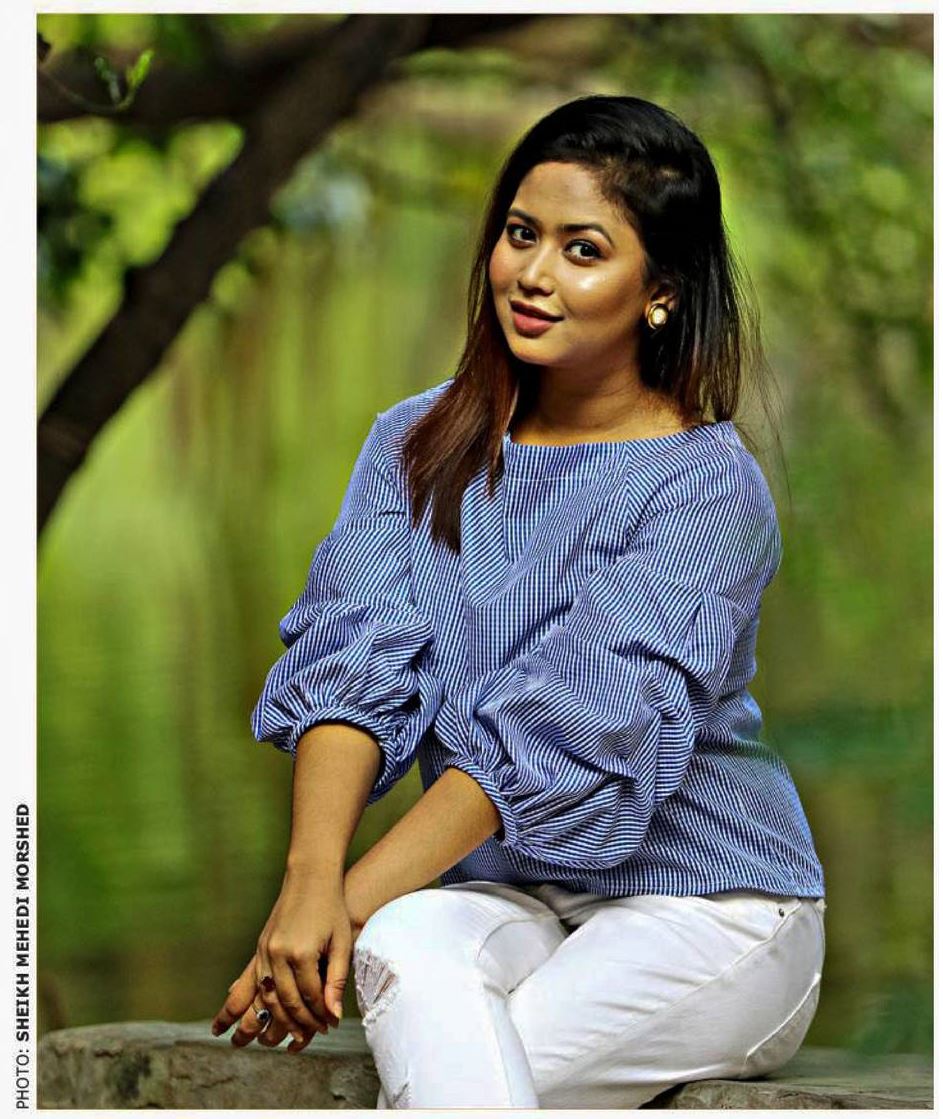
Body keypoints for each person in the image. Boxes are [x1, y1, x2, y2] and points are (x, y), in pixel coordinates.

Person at [210, 94, 826, 1109]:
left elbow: (560, 736)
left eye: (583, 250)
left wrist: (338, 915)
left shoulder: (705, 487)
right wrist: (308, 888)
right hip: (506, 894)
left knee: (455, 1072)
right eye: (520, 233)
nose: (533, 274)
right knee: (408, 941)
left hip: (712, 909)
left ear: (659, 291)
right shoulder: (415, 443)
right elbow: (353, 665)